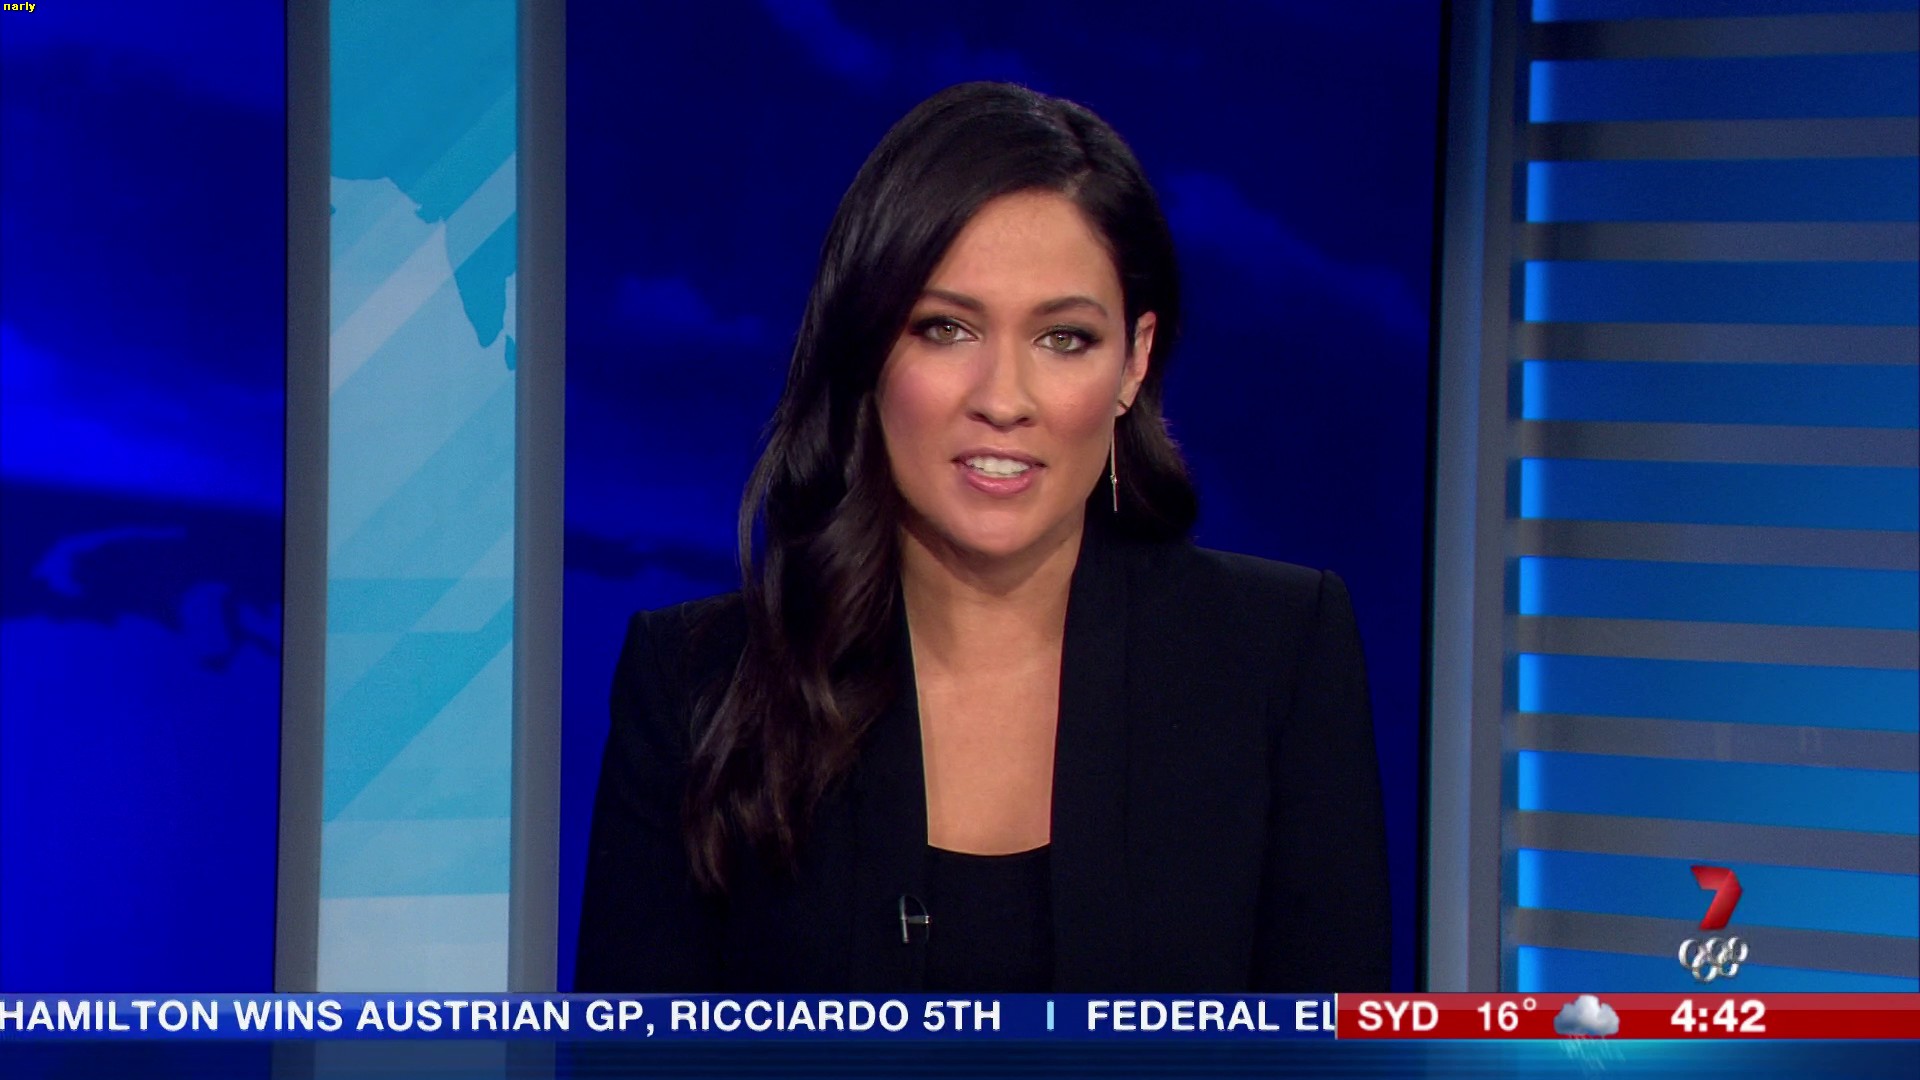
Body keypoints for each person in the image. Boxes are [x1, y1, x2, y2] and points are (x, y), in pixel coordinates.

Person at [576, 81, 1388, 992]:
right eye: (946, 329)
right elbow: (634, 1049)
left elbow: (1329, 1042)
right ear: (869, 347)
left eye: (1064, 339)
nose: (1003, 399)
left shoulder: (1278, 657)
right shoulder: (697, 685)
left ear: (1135, 361)